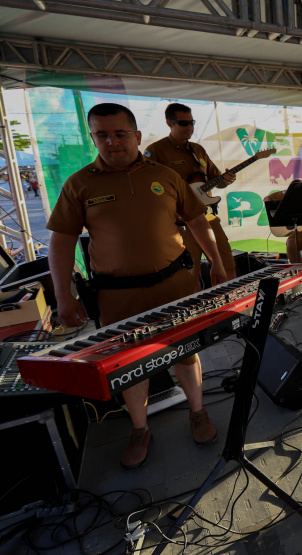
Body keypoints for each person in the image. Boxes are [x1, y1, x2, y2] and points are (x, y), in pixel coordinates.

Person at [47, 103, 226, 469]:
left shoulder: (165, 175)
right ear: (93, 137)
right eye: (102, 134)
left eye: (120, 133)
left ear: (137, 136)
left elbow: (196, 220)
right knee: (132, 364)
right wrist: (63, 295)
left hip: (175, 286)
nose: (111, 142)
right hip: (118, 295)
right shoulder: (79, 184)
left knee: (186, 352)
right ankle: (140, 428)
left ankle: (198, 412)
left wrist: (218, 263)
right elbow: (62, 241)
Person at [144, 103, 237, 283]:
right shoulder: (155, 151)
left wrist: (225, 180)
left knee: (227, 268)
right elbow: (147, 188)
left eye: (191, 123)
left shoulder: (198, 150)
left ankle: (230, 308)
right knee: (188, 276)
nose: (189, 127)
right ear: (169, 123)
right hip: (179, 224)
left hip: (207, 217)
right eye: (183, 123)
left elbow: (215, 180)